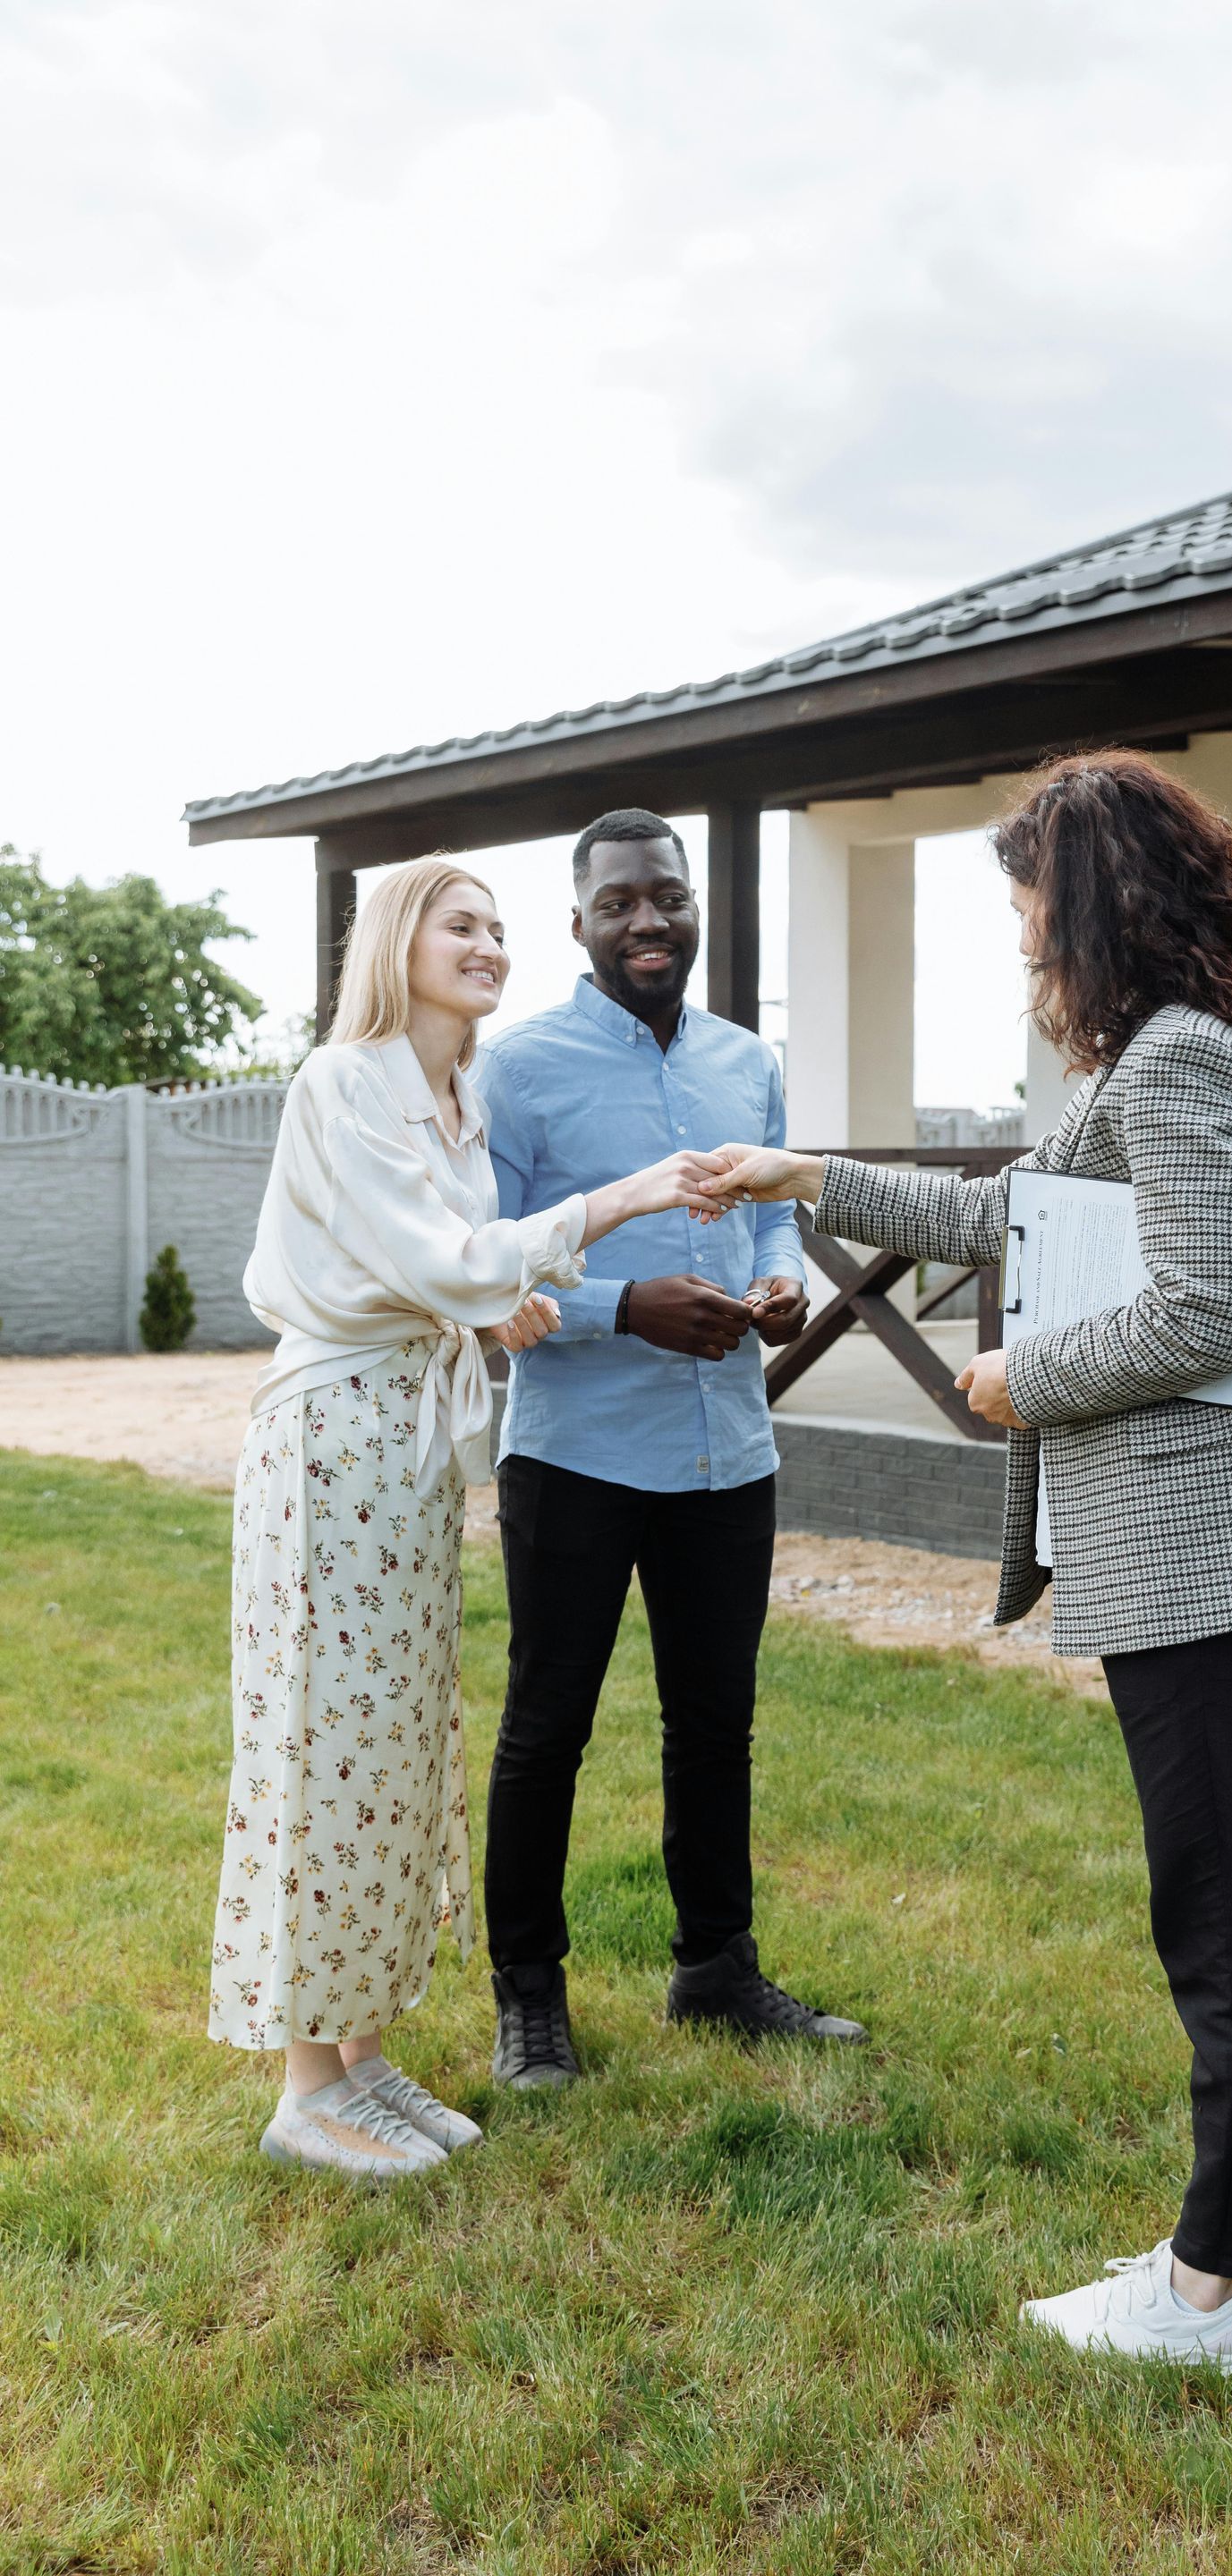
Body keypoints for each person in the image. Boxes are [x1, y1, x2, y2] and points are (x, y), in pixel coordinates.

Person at [712, 752, 1232, 2374]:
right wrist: (812, 1176)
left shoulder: (1176, 1066)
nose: (1025, 947)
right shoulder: (1169, 1060)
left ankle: (1214, 2295)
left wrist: (1028, 1378)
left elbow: (1198, 1316)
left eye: (1032, 915)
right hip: (1220, 1546)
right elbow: (1030, 1213)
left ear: (1100, 907)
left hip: (1202, 1546)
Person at [209, 855, 731, 2181]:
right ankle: (299, 2089)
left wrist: (492, 1306)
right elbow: (441, 1259)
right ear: (398, 941)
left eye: (500, 930)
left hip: (411, 1449)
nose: (490, 946)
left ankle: (360, 2058)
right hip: (334, 1444)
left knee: (396, 1753)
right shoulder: (345, 1080)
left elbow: (442, 1269)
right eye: (463, 925)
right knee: (328, 1747)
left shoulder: (449, 1102)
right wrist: (619, 1200)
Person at [478, 808, 866, 2089]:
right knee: (548, 1727)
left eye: (668, 898)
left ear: (696, 906)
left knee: (718, 1724)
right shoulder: (515, 1071)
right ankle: (529, 1995)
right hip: (577, 1450)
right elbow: (490, 1267)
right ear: (578, 922)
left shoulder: (747, 1062)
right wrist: (621, 1304)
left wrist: (778, 1280)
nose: (648, 921)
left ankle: (717, 1970)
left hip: (724, 1456)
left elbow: (766, 1218)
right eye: (619, 902)